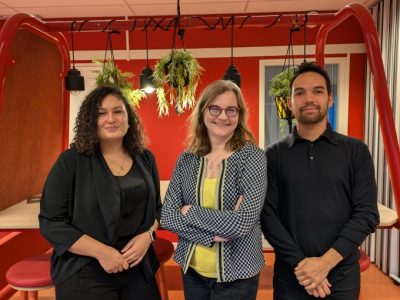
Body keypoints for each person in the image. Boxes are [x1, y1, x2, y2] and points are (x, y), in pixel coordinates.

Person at [261, 62, 379, 299]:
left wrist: (325, 263)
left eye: (318, 91)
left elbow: (366, 214)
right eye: (299, 92)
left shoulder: (356, 151)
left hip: (341, 274)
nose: (309, 98)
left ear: (330, 99)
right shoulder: (273, 155)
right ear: (289, 103)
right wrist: (304, 267)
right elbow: (268, 215)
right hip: (292, 275)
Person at [39, 85, 162, 300]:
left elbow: (157, 210)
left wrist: (148, 235)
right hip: (86, 266)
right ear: (90, 120)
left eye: (118, 111)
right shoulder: (71, 162)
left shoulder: (145, 158)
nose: (111, 119)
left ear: (128, 116)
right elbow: (52, 222)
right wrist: (102, 252)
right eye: (101, 113)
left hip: (136, 264)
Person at [160, 80, 267, 300]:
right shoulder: (187, 159)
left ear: (239, 115)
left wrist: (188, 211)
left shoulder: (252, 157)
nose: (223, 116)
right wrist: (211, 233)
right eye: (215, 108)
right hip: (193, 270)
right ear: (203, 112)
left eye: (231, 110)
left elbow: (242, 223)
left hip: (238, 274)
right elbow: (168, 216)